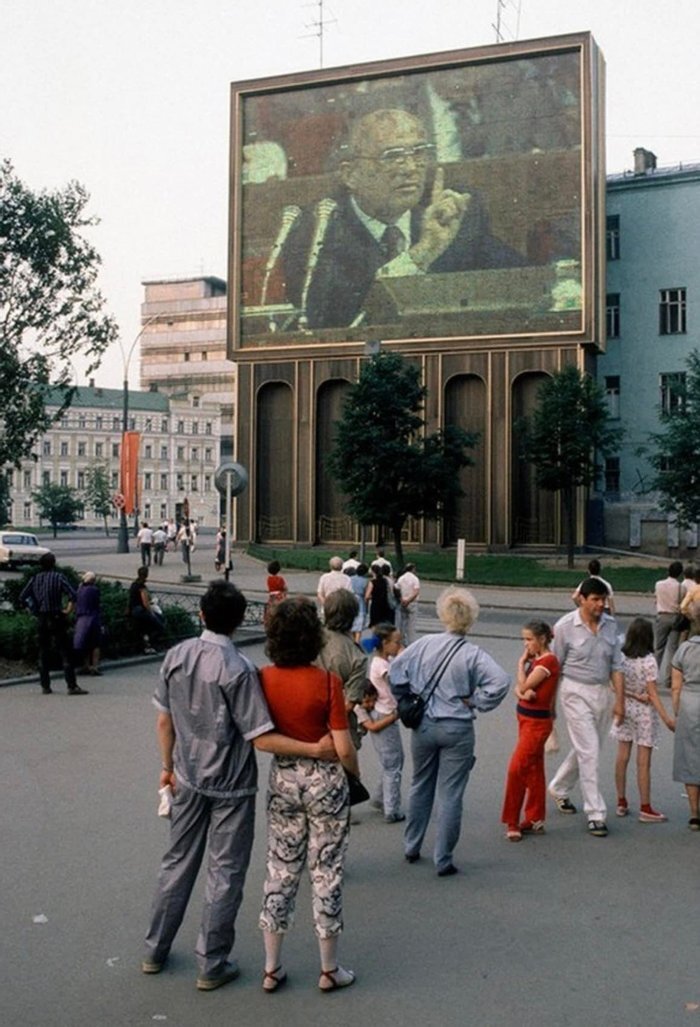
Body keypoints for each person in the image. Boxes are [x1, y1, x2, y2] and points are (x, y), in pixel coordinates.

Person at [142, 581, 337, 991]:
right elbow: (260, 737)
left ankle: (155, 949)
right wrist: (315, 749)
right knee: (225, 872)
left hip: (188, 775)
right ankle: (211, 962)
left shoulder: (176, 656)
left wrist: (167, 767)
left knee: (176, 863)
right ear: (236, 623)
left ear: (202, 615)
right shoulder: (240, 670)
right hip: (230, 785)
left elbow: (164, 720)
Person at [281, 108, 524, 330]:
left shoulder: (452, 212)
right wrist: (421, 253)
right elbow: (332, 319)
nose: (410, 168)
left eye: (419, 153)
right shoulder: (316, 228)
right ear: (351, 175)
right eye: (392, 156)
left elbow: (522, 280)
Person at [258, 597, 360, 993]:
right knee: (326, 870)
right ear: (313, 637)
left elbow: (261, 739)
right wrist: (352, 773)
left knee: (280, 868)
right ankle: (329, 968)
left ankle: (271, 966)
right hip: (325, 783)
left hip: (283, 779)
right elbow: (343, 745)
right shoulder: (328, 683)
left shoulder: (263, 679)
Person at [389, 587, 510, 875]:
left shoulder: (424, 644)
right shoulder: (473, 654)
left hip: (425, 725)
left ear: (443, 614)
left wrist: (406, 696)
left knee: (420, 784)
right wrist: (478, 701)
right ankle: (443, 858)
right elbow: (501, 681)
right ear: (470, 619)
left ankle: (411, 845)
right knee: (451, 793)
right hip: (458, 727)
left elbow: (396, 671)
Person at [547, 578, 625, 838]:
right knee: (589, 750)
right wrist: (550, 707)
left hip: (602, 692)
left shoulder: (610, 626)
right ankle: (596, 813)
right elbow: (552, 669)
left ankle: (559, 787)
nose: (601, 605)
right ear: (582, 598)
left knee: (588, 748)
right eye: (596, 600)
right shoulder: (565, 627)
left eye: (603, 600)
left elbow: (616, 665)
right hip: (574, 691)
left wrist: (620, 702)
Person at [501, 620, 560, 841]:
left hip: (536, 723)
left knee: (516, 769)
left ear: (542, 639)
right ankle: (535, 817)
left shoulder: (548, 662)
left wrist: (520, 668)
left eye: (529, 639)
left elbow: (523, 687)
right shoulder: (538, 661)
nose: (525, 645)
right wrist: (522, 692)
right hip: (526, 718)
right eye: (524, 639)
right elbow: (522, 690)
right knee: (534, 769)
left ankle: (512, 820)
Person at [612, 617, 675, 823]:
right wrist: (666, 717)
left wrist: (630, 695)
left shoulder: (621, 658)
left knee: (622, 756)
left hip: (625, 708)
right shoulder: (648, 660)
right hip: (644, 714)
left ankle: (621, 801)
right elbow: (653, 694)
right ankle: (645, 807)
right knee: (643, 762)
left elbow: (615, 685)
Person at [19, 552, 88, 696]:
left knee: (43, 652)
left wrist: (34, 609)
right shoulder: (58, 577)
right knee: (65, 651)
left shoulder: (35, 579)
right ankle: (71, 686)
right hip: (57, 616)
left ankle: (45, 686)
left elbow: (23, 596)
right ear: (53, 563)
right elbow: (73, 594)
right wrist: (67, 610)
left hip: (42, 618)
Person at [356, 623, 405, 822]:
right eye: (396, 642)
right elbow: (397, 680)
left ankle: (380, 798)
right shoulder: (381, 665)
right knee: (393, 764)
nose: (399, 645)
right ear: (384, 644)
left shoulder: (383, 661)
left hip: (384, 714)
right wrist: (403, 656)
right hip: (385, 715)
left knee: (391, 761)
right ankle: (391, 809)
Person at [315, 589, 368, 750]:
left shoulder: (310, 638)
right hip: (336, 733)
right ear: (353, 616)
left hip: (304, 724)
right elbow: (348, 704)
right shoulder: (356, 655)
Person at [671, 600, 700, 831]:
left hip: (690, 704)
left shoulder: (685, 649)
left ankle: (693, 813)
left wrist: (677, 710)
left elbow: (676, 686)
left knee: (691, 757)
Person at [654, 560, 684, 688]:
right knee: (672, 649)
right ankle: (668, 679)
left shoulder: (659, 584)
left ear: (668, 571)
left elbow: (656, 599)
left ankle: (653, 677)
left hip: (662, 616)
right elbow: (682, 603)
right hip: (675, 618)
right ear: (680, 574)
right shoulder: (681, 587)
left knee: (658, 648)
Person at [128, 566, 165, 653]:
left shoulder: (134, 584)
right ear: (146, 575)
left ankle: (146, 645)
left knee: (144, 628)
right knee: (160, 625)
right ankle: (152, 644)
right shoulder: (142, 586)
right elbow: (145, 602)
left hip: (134, 611)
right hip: (141, 611)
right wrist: (151, 612)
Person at [73, 571, 103, 676]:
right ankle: (95, 667)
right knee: (95, 643)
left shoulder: (79, 589)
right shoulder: (95, 590)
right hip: (93, 617)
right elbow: (97, 603)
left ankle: (85, 666)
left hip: (81, 618)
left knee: (84, 642)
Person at [395, 562, 421, 645]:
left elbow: (396, 588)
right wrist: (409, 600)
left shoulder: (401, 578)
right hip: (412, 603)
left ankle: (402, 641)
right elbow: (416, 592)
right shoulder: (415, 579)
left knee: (402, 623)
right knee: (411, 625)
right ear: (413, 569)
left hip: (402, 602)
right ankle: (411, 643)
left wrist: (401, 599)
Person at [365, 562, 394, 627]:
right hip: (384, 604)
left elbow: (367, 596)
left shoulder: (372, 582)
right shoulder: (385, 581)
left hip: (375, 604)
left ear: (373, 572)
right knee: (383, 623)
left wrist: (370, 598)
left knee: (375, 623)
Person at [349, 561, 369, 642]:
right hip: (361, 603)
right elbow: (367, 596)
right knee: (359, 627)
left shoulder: (350, 579)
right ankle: (357, 641)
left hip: (351, 602)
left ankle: (352, 640)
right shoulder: (366, 581)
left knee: (352, 624)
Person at [264, 560, 287, 626]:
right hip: (279, 596)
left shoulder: (269, 579)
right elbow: (284, 587)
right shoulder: (280, 579)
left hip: (272, 596)